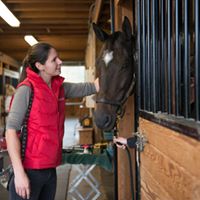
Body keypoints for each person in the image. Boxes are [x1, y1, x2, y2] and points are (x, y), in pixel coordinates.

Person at [5, 42, 99, 200]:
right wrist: (19, 174)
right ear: (40, 65)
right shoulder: (26, 89)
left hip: (50, 169)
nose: (60, 62)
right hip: (29, 170)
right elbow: (10, 131)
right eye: (54, 60)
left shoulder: (59, 88)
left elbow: (92, 87)